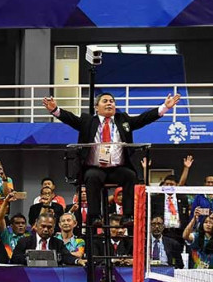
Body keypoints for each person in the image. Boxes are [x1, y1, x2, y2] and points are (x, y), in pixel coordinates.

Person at [43, 91, 181, 226]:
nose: (109, 103)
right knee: (92, 176)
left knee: (130, 175)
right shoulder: (88, 121)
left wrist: (165, 107)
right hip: (95, 168)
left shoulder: (123, 120)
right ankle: (95, 217)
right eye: (105, 101)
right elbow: (70, 118)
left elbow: (144, 119)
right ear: (97, 107)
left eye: (112, 101)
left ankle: (128, 216)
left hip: (117, 168)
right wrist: (54, 109)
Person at [11, 214, 84, 266]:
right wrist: (32, 258)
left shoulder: (58, 243)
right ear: (36, 226)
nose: (46, 230)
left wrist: (77, 261)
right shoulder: (24, 241)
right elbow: (15, 259)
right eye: (43, 226)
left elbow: (66, 256)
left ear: (54, 228)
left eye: (49, 227)